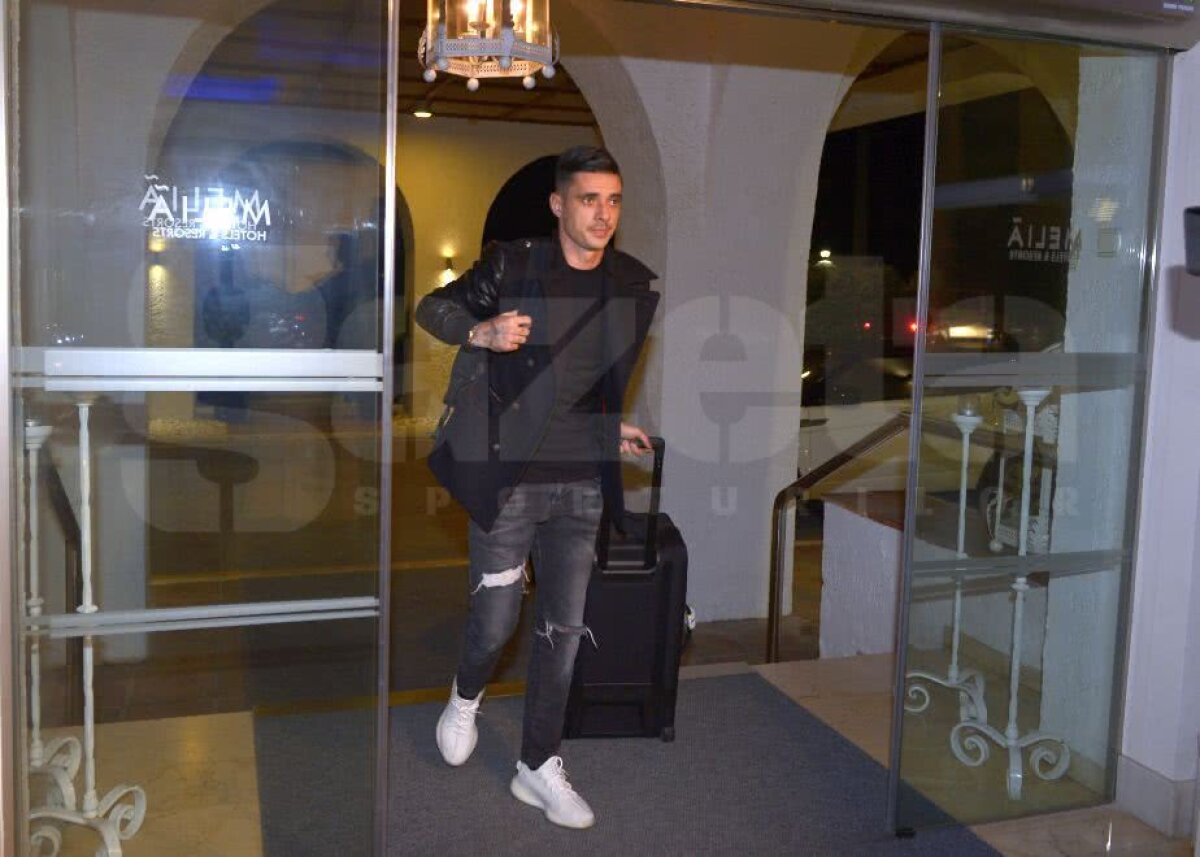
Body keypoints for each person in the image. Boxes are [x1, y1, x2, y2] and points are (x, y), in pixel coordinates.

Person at [415, 145, 660, 829]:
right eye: (588, 199)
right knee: (496, 621)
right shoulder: (514, 266)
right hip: (509, 477)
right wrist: (480, 331)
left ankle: (538, 763)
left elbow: (591, 385)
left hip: (581, 482)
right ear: (558, 204)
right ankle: (465, 694)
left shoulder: (630, 285)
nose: (603, 214)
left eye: (613, 201)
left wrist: (608, 429)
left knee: (565, 630)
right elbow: (431, 308)